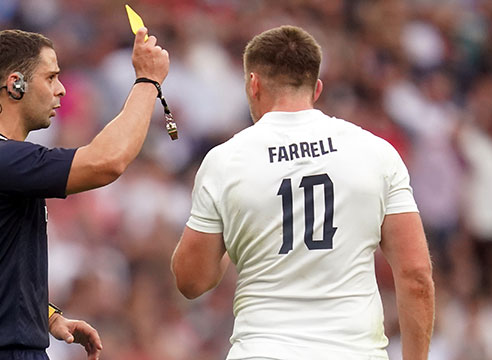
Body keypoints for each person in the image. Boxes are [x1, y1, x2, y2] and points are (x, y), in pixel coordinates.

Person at [171, 25, 434, 360]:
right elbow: (415, 276)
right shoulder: (375, 152)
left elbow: (191, 281)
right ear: (317, 88)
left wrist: (234, 231)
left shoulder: (226, 161)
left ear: (253, 84)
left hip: (262, 351)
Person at [0, 27, 168, 360]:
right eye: (51, 78)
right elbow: (107, 162)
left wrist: (45, 315)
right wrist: (147, 81)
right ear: (16, 84)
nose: (61, 90)